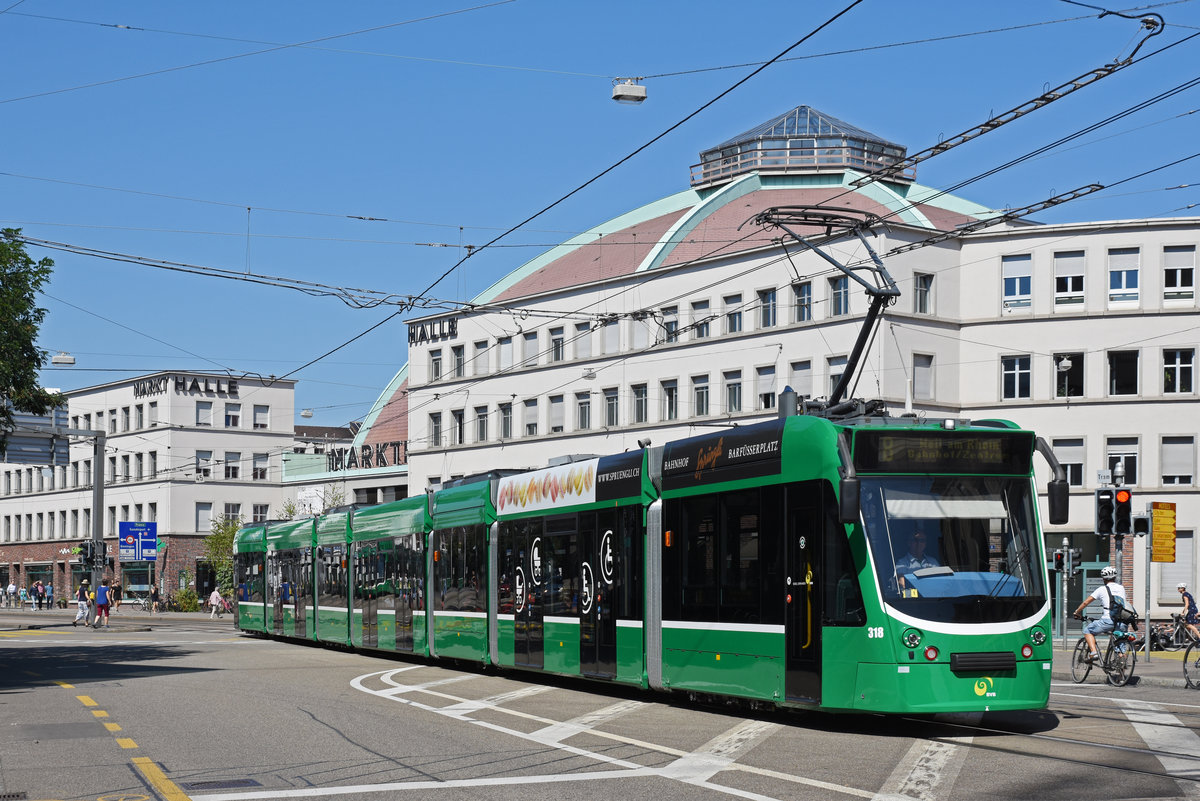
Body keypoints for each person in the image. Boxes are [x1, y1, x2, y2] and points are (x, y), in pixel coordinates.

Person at [1073, 565, 1126, 662]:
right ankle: (1121, 674)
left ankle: (1093, 653)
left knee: (1087, 631)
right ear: (1114, 577)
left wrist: (1077, 612)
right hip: (1122, 622)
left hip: (1108, 620)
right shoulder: (1121, 588)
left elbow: (1086, 602)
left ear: (1103, 579)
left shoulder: (1102, 589)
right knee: (1120, 647)